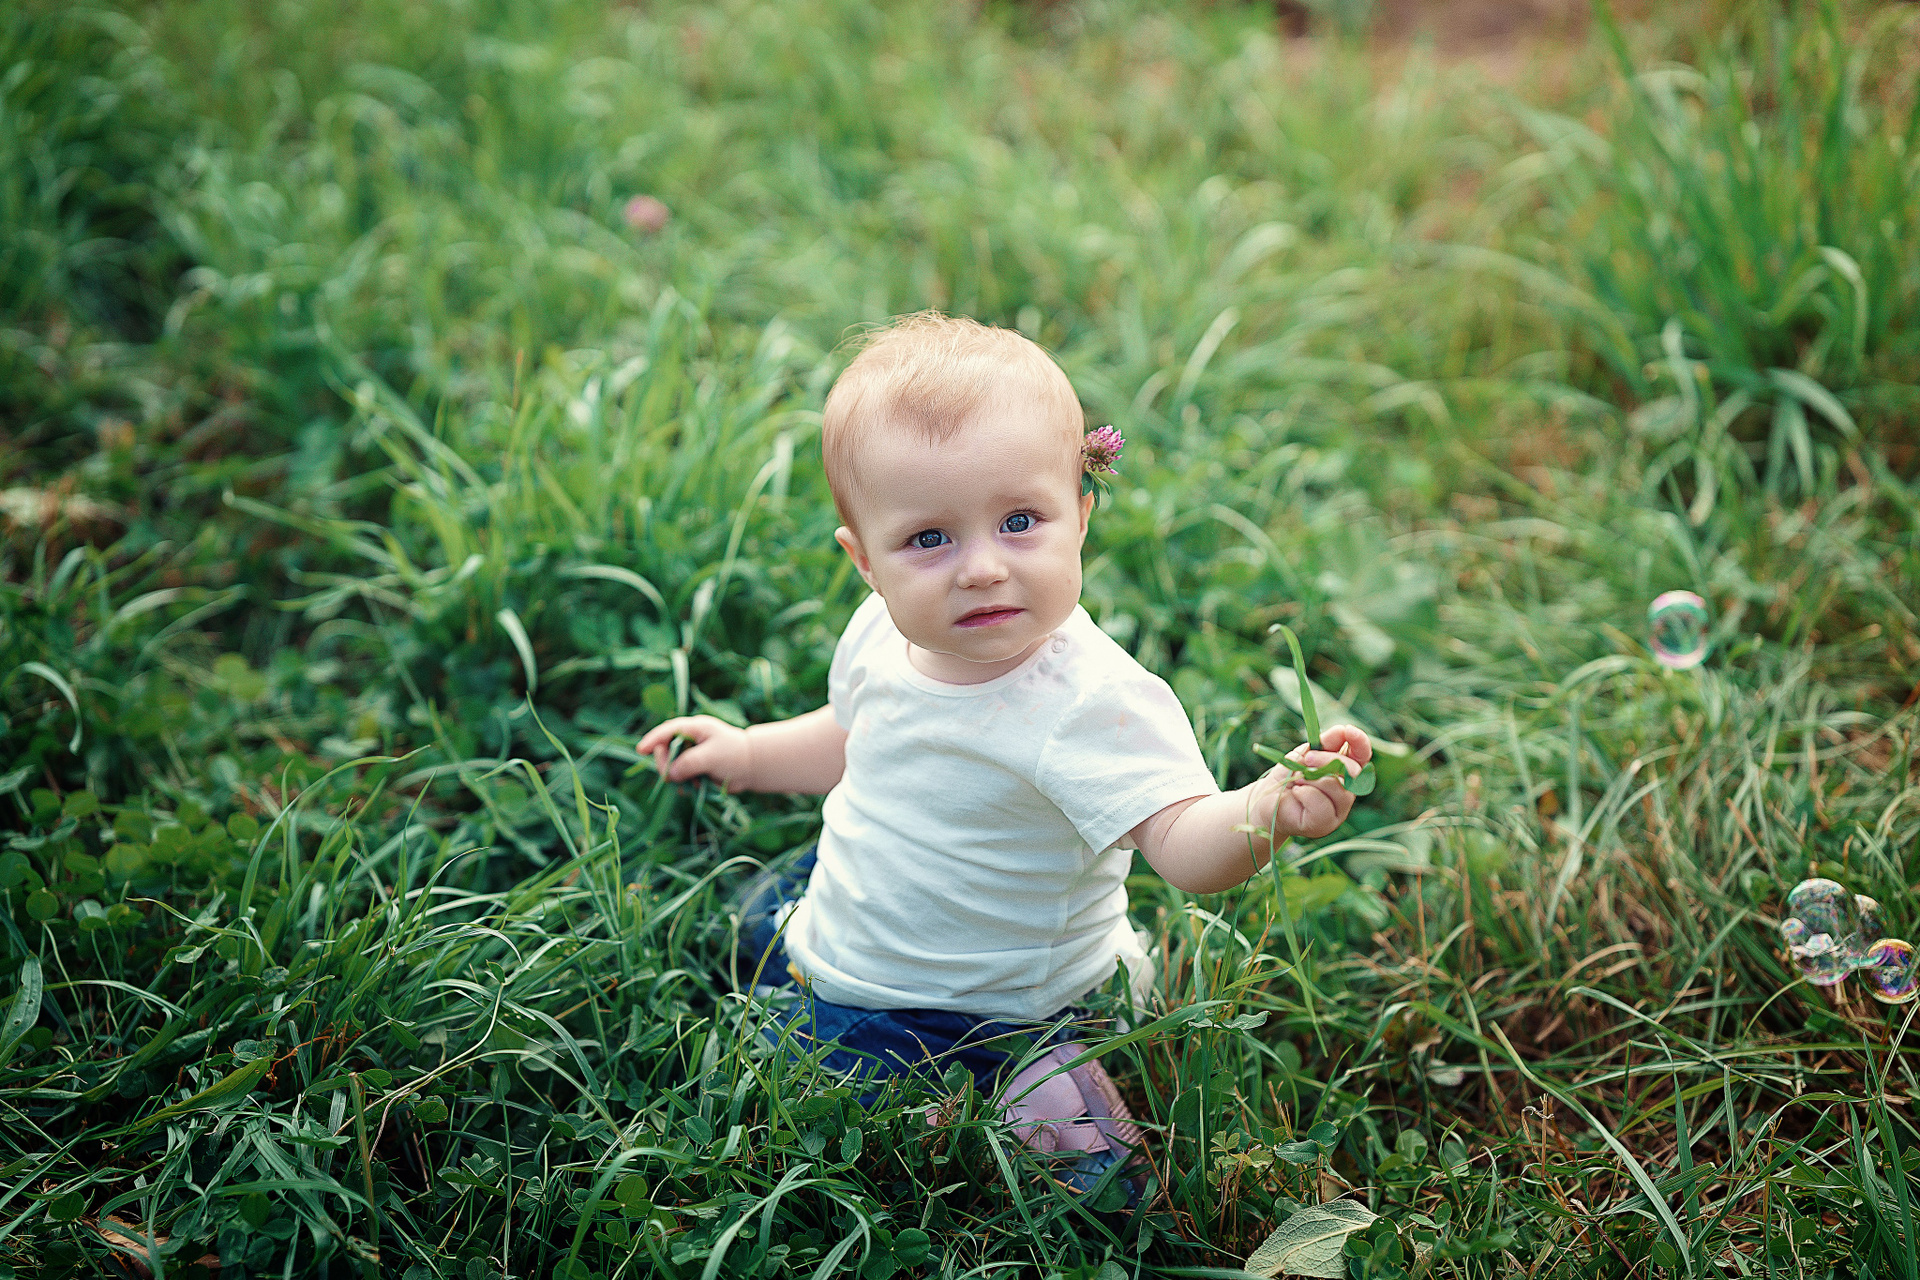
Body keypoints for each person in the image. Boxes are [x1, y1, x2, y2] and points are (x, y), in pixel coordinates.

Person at [637, 312, 1370, 1200]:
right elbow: (852, 737)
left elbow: (1181, 843)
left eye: (1020, 521)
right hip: (868, 910)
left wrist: (1262, 809)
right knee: (756, 917)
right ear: (864, 561)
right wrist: (749, 753)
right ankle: (853, 977)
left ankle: (1040, 1068)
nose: (981, 567)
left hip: (988, 997)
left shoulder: (1088, 703)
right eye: (930, 539)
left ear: (1081, 516)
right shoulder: (882, 632)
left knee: (797, 1076)